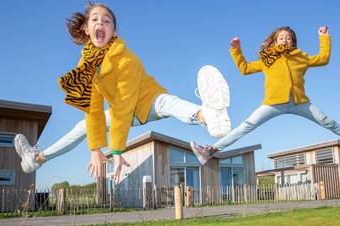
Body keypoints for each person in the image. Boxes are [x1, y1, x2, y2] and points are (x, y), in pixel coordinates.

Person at [14, 2, 230, 183]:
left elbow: (123, 106)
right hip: (122, 112)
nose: (101, 23)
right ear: (86, 29)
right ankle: (37, 158)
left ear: (114, 32)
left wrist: (117, 151)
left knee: (167, 102)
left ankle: (206, 115)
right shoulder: (86, 66)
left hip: (147, 101)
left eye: (107, 21)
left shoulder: (127, 59)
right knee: (82, 126)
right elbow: (93, 109)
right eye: (95, 19)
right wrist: (95, 149)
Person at [191, 26, 340, 165]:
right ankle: (210, 151)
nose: (285, 40)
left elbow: (323, 59)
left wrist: (324, 38)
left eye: (289, 38)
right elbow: (244, 68)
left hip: (299, 101)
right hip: (273, 103)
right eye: (281, 37)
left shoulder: (301, 57)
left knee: (327, 121)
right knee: (246, 126)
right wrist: (236, 50)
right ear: (274, 41)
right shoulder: (267, 60)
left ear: (293, 42)